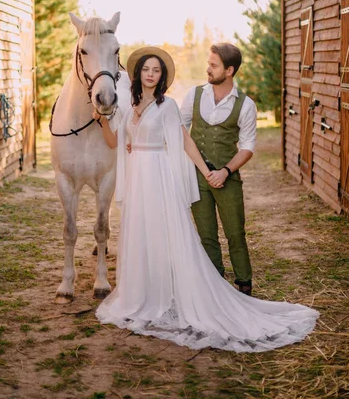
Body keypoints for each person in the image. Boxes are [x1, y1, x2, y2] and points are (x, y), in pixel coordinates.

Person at [94, 46, 318, 352]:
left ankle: (194, 292)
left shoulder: (168, 106)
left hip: (158, 176)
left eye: (156, 71)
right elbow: (113, 143)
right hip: (137, 179)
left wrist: (209, 171)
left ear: (162, 77)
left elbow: (185, 142)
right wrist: (102, 120)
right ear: (138, 74)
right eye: (146, 69)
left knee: (167, 235)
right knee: (140, 236)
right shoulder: (129, 106)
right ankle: (143, 293)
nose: (150, 74)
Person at [181, 43, 256, 296]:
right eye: (208, 63)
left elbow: (247, 147)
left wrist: (225, 171)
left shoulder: (245, 105)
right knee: (206, 234)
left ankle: (244, 285)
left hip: (227, 177)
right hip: (196, 176)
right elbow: (178, 129)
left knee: (235, 233)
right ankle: (215, 285)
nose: (208, 69)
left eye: (214, 65)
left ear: (230, 70)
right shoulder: (194, 95)